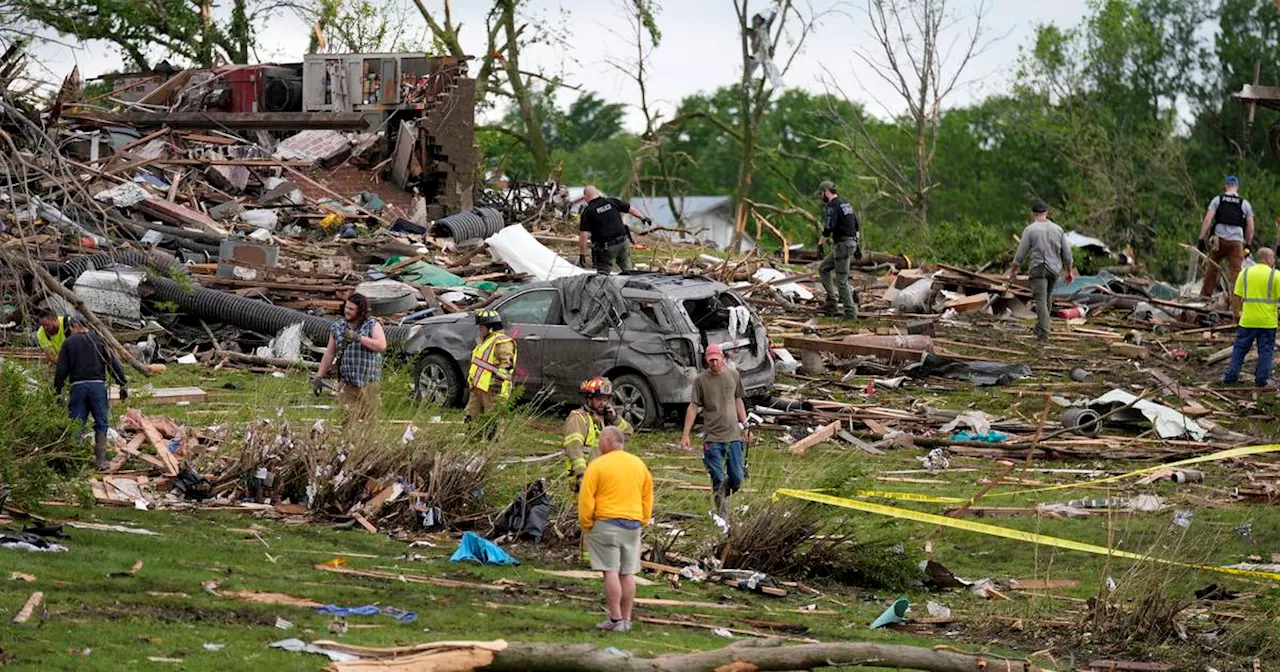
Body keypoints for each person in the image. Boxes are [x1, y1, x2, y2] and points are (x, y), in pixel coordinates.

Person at [578, 425, 653, 633]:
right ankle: (627, 619)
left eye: (601, 439)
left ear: (609, 442)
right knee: (627, 572)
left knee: (610, 570)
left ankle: (614, 617)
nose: (599, 443)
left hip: (606, 523)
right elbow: (647, 496)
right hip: (633, 523)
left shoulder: (598, 465)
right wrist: (643, 519)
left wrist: (587, 524)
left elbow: (586, 498)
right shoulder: (638, 465)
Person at [679, 343, 749, 517]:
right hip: (712, 438)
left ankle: (723, 493)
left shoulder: (733, 375)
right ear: (706, 360)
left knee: (737, 478)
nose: (714, 364)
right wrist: (686, 434)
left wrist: (745, 425)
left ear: (722, 358)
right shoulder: (701, 381)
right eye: (711, 361)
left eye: (716, 360)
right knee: (717, 477)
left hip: (733, 435)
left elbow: (738, 400)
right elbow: (693, 407)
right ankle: (722, 514)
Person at [53, 318, 127, 469]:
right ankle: (101, 460)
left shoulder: (68, 343)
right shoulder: (99, 339)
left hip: (77, 388)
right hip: (97, 387)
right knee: (101, 423)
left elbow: (61, 370)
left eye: (70, 329)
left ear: (75, 326)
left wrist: (58, 390)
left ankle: (74, 461)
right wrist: (122, 383)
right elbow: (113, 362)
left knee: (76, 424)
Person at [1007, 201, 1076, 342]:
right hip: (1054, 269)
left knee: (1040, 300)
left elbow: (1020, 253)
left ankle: (1044, 333)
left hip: (1038, 269)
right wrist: (1069, 271)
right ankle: (1040, 327)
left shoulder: (1030, 230)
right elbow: (1067, 254)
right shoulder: (1058, 229)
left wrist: (1014, 269)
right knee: (1047, 297)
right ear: (1047, 213)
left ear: (1032, 214)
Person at [317, 294, 387, 425]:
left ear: (360, 311)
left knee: (371, 423)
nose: (347, 311)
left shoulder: (371, 325)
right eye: (346, 307)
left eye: (351, 309)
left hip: (369, 383)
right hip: (347, 383)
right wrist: (319, 377)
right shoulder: (337, 327)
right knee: (348, 422)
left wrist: (358, 338)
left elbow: (381, 345)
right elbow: (329, 353)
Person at [562, 377, 634, 490]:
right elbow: (574, 448)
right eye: (599, 399)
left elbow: (627, 433)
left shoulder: (607, 419)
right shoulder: (578, 418)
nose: (603, 403)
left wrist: (614, 419)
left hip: (604, 479)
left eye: (606, 400)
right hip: (586, 479)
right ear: (589, 398)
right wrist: (581, 474)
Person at [1223, 247, 1280, 388]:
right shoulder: (1276, 275)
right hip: (1268, 322)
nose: (1274, 261)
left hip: (1248, 320)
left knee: (1240, 349)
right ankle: (1262, 379)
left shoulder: (1245, 273)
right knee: (1266, 351)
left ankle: (1231, 376)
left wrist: (1236, 313)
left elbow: (1237, 296)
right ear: (1267, 259)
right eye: (1273, 258)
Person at [1198, 175, 1255, 298]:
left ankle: (1205, 296)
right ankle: (1234, 302)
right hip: (1236, 242)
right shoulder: (1244, 204)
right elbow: (1250, 227)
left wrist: (1201, 239)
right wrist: (1248, 244)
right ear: (1237, 187)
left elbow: (1207, 220)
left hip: (1219, 241)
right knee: (1235, 273)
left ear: (1225, 186)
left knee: (1212, 269)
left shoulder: (1218, 200)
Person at [577, 185, 651, 274]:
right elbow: (629, 208)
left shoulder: (588, 211)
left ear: (585, 197)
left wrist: (582, 254)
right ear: (597, 193)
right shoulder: (611, 201)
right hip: (623, 242)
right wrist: (643, 217)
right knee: (628, 270)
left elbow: (583, 236)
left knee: (602, 275)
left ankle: (603, 283)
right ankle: (631, 282)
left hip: (607, 247)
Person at [816, 180, 861, 320]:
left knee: (841, 280)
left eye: (821, 193)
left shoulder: (832, 206)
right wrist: (857, 244)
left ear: (826, 192)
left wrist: (820, 244)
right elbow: (856, 224)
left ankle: (850, 313)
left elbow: (829, 226)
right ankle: (831, 301)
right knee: (824, 268)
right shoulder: (846, 204)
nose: (820, 196)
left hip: (843, 245)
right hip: (850, 243)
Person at [464, 309, 517, 425]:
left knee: (493, 418)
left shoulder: (502, 342)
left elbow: (507, 364)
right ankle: (470, 437)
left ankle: (493, 440)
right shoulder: (484, 341)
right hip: (478, 387)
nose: (479, 330)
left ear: (491, 328)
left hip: (492, 388)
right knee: (470, 414)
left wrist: (497, 383)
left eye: (481, 327)